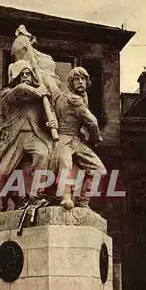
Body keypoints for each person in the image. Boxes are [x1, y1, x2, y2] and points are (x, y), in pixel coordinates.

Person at [0, 59, 58, 213]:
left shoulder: (40, 100)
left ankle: (35, 195)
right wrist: (39, 91)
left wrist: (51, 124)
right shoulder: (8, 94)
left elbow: (47, 116)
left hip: (34, 136)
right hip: (14, 138)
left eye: (28, 73)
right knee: (3, 171)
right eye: (22, 74)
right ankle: (1, 204)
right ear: (16, 77)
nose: (25, 76)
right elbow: (20, 90)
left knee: (43, 155)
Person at [51, 66, 106, 210]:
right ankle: (67, 197)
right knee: (66, 165)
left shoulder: (80, 97)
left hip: (76, 140)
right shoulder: (73, 99)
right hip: (63, 139)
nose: (81, 82)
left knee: (99, 170)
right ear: (70, 82)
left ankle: (82, 200)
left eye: (83, 79)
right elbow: (92, 121)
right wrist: (96, 139)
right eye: (77, 79)